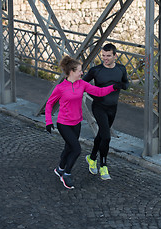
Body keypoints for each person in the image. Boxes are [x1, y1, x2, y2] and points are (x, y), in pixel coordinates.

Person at [45, 55, 123, 189]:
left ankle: (59, 169)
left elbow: (98, 92)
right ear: (71, 72)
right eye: (79, 71)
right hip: (64, 124)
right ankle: (66, 174)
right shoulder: (60, 88)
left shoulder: (82, 84)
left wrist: (113, 87)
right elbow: (49, 104)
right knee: (76, 149)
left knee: (68, 147)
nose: (82, 73)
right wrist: (48, 121)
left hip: (76, 123)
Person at [82, 43, 129, 180]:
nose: (105, 58)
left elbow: (126, 83)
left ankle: (91, 158)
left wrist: (120, 85)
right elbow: (83, 84)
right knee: (107, 137)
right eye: (103, 55)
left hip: (112, 108)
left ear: (115, 55)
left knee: (102, 136)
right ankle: (103, 165)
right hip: (99, 107)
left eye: (108, 56)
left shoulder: (121, 69)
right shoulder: (96, 70)